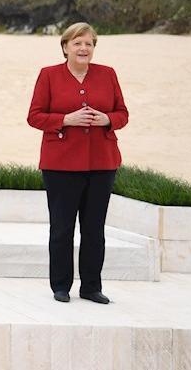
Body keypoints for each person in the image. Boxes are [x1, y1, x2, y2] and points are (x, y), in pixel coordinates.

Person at [27, 22, 128, 305]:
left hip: (102, 162)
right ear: (65, 47)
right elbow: (34, 116)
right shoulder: (49, 75)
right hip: (60, 164)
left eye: (89, 44)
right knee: (62, 228)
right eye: (77, 43)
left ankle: (91, 287)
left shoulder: (108, 74)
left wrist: (108, 119)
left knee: (94, 228)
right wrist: (65, 120)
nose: (84, 48)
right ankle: (60, 286)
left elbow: (122, 113)